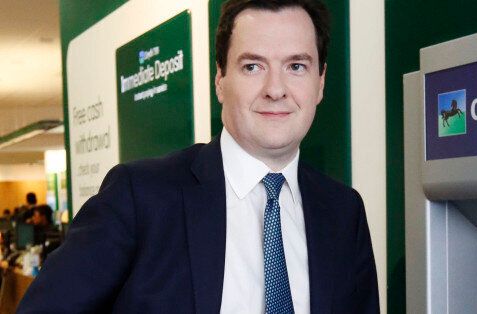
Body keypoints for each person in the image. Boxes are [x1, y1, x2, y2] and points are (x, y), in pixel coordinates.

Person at [17, 0, 379, 313]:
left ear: (321, 82)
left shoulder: (343, 212)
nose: (275, 89)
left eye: (296, 66)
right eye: (253, 66)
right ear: (220, 79)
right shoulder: (140, 197)